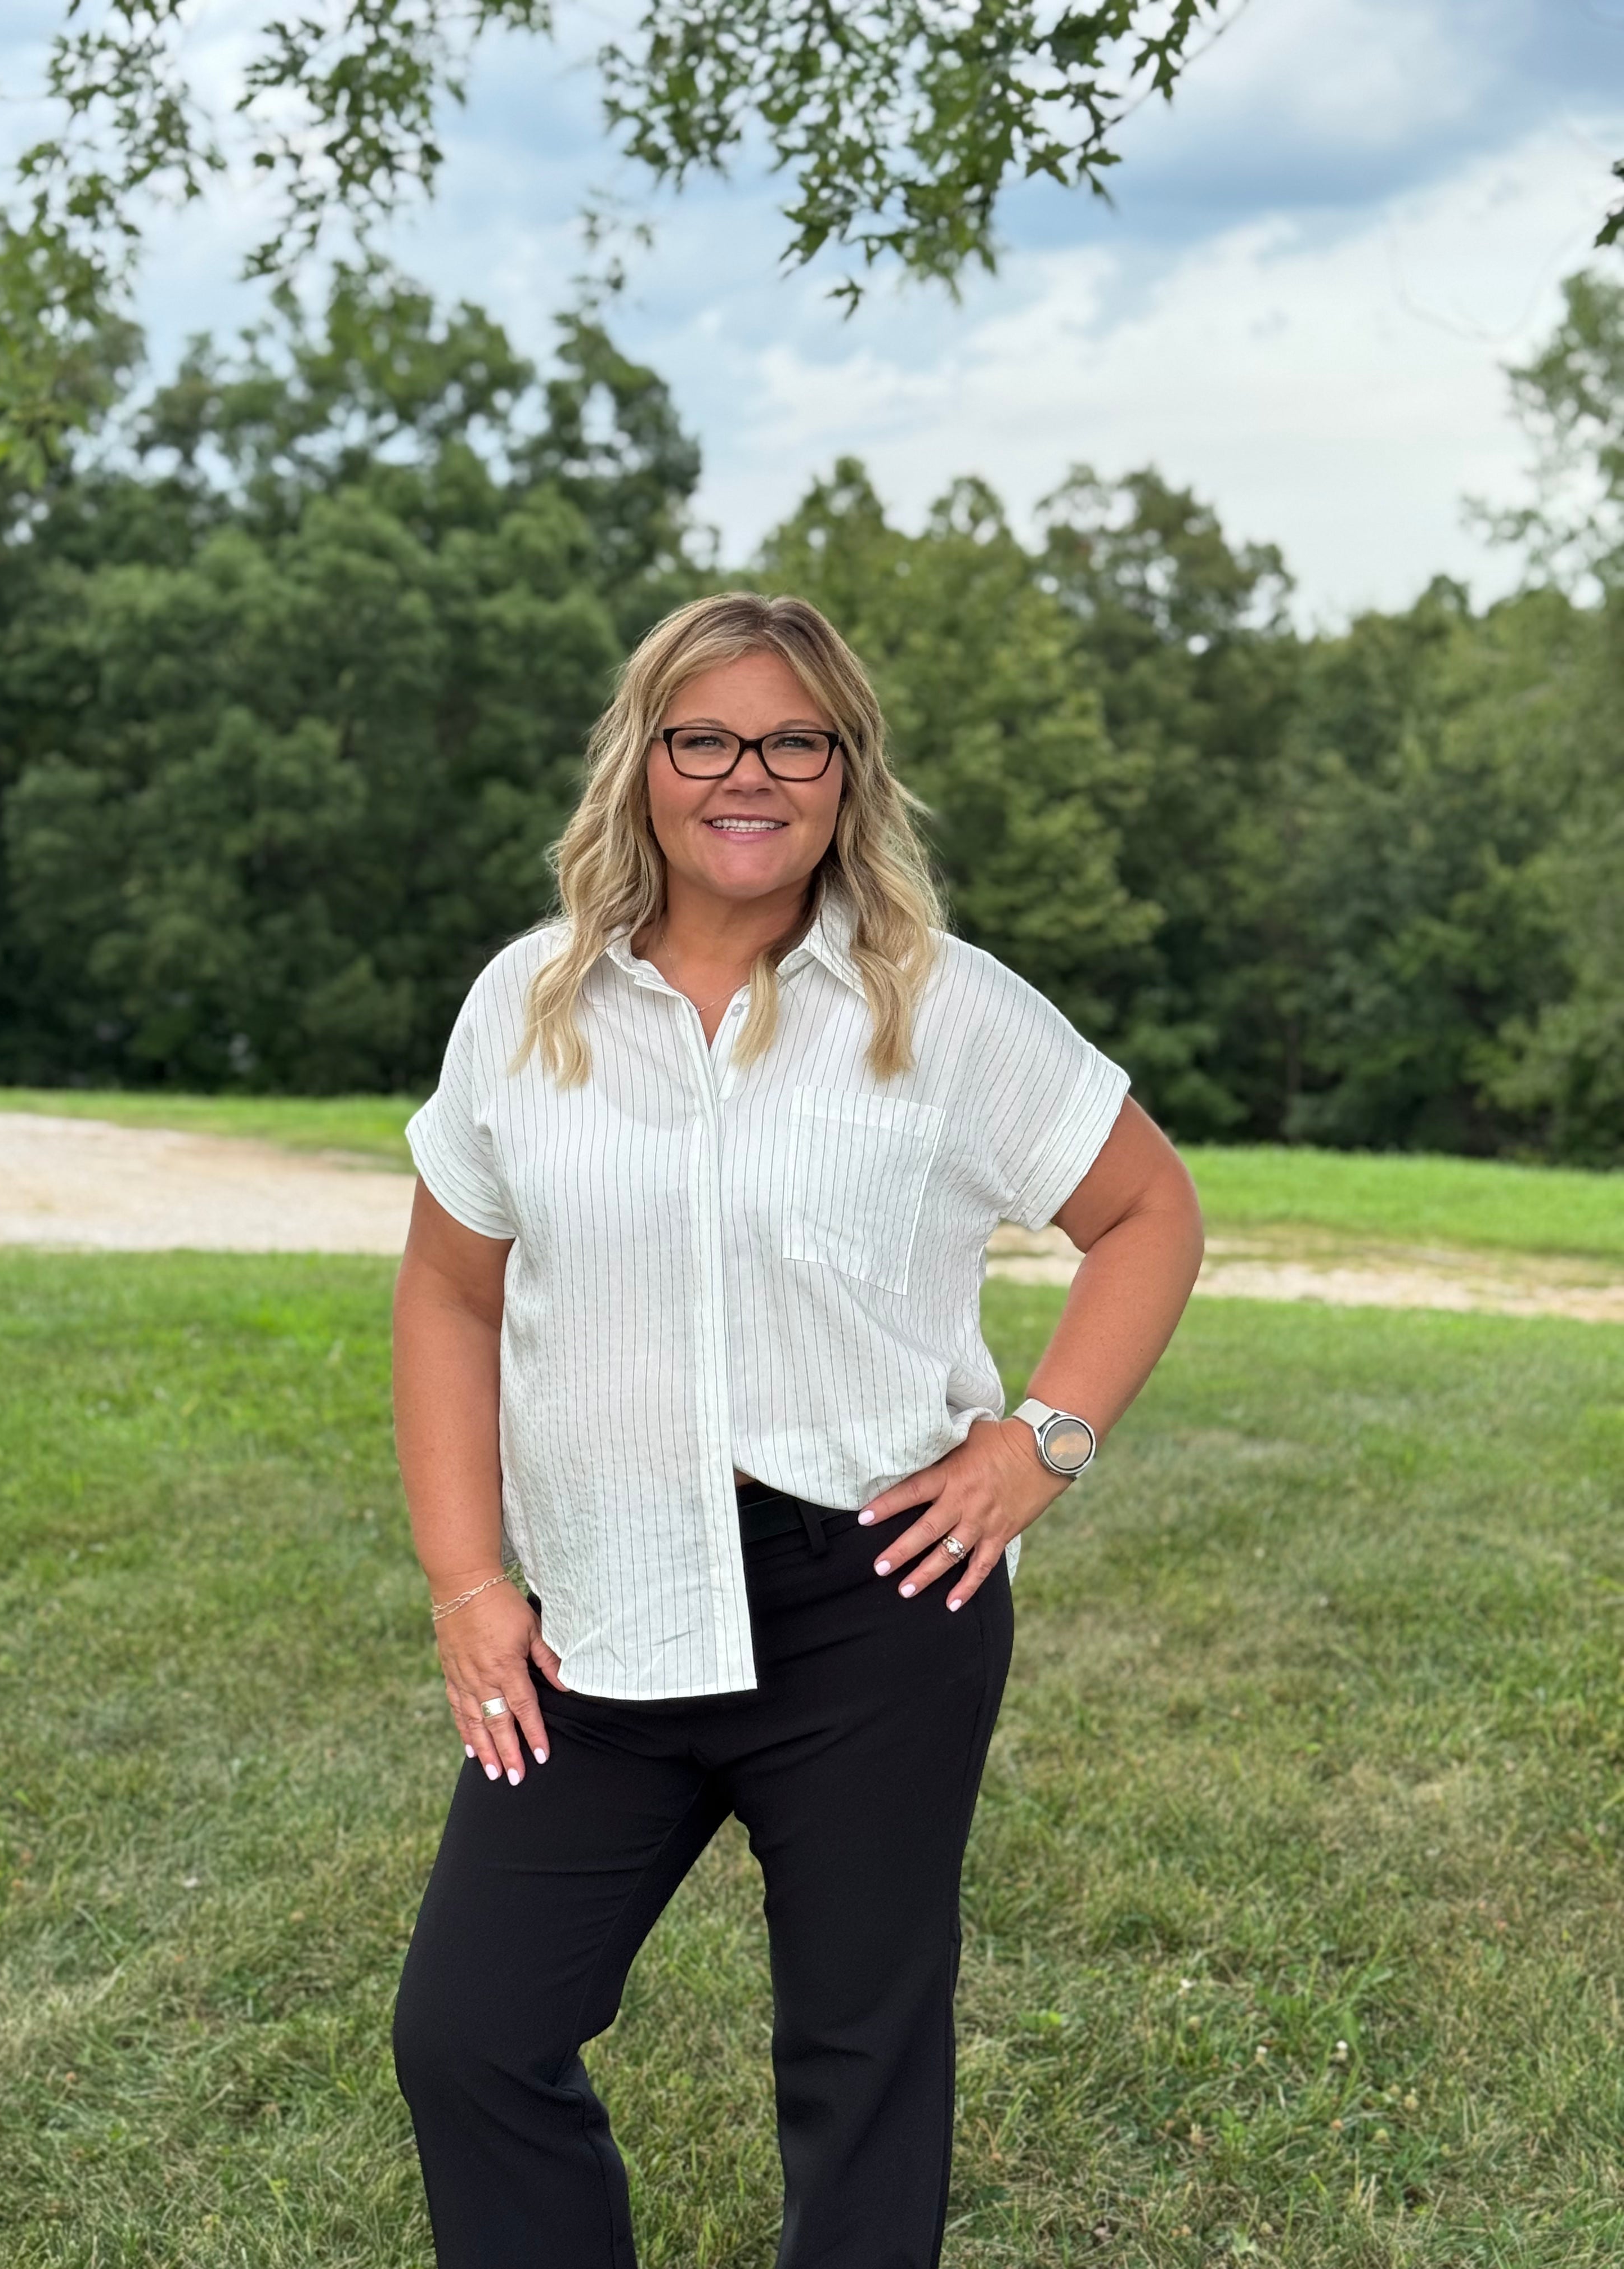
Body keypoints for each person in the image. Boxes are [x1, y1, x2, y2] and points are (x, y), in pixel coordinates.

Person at [390, 590, 1204, 2268]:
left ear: (846, 774)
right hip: (599, 1624)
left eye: (791, 741)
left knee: (859, 2060)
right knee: (468, 2033)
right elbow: (450, 1297)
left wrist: (1039, 1441)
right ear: (645, 764)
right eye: (705, 737)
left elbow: (1149, 1214)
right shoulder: (527, 1007)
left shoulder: (945, 1006)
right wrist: (472, 1586)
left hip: (872, 1604)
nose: (744, 774)